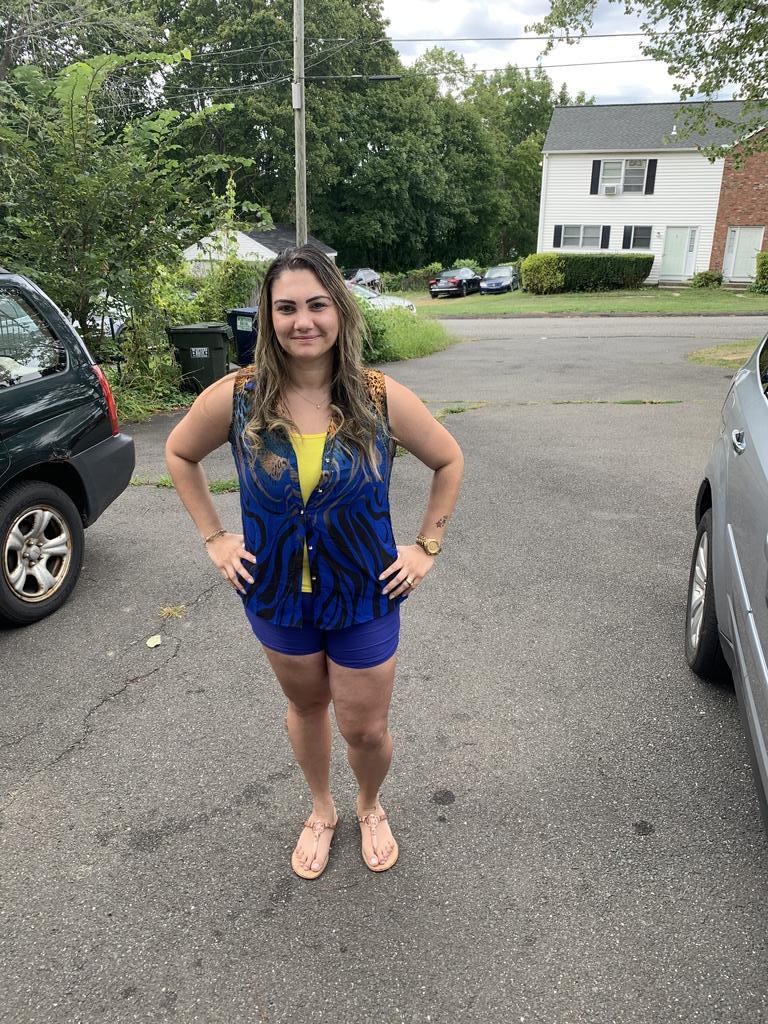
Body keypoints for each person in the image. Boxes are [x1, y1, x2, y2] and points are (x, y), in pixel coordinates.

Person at [165, 245, 464, 878]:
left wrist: (426, 545)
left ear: (340, 312)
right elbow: (178, 453)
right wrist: (214, 537)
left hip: (364, 593)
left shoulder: (378, 397)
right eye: (286, 308)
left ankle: (370, 804)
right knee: (305, 707)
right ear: (268, 318)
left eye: (317, 305)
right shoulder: (238, 397)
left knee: (366, 730)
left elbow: (448, 459)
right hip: (276, 593)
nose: (303, 321)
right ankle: (322, 808)